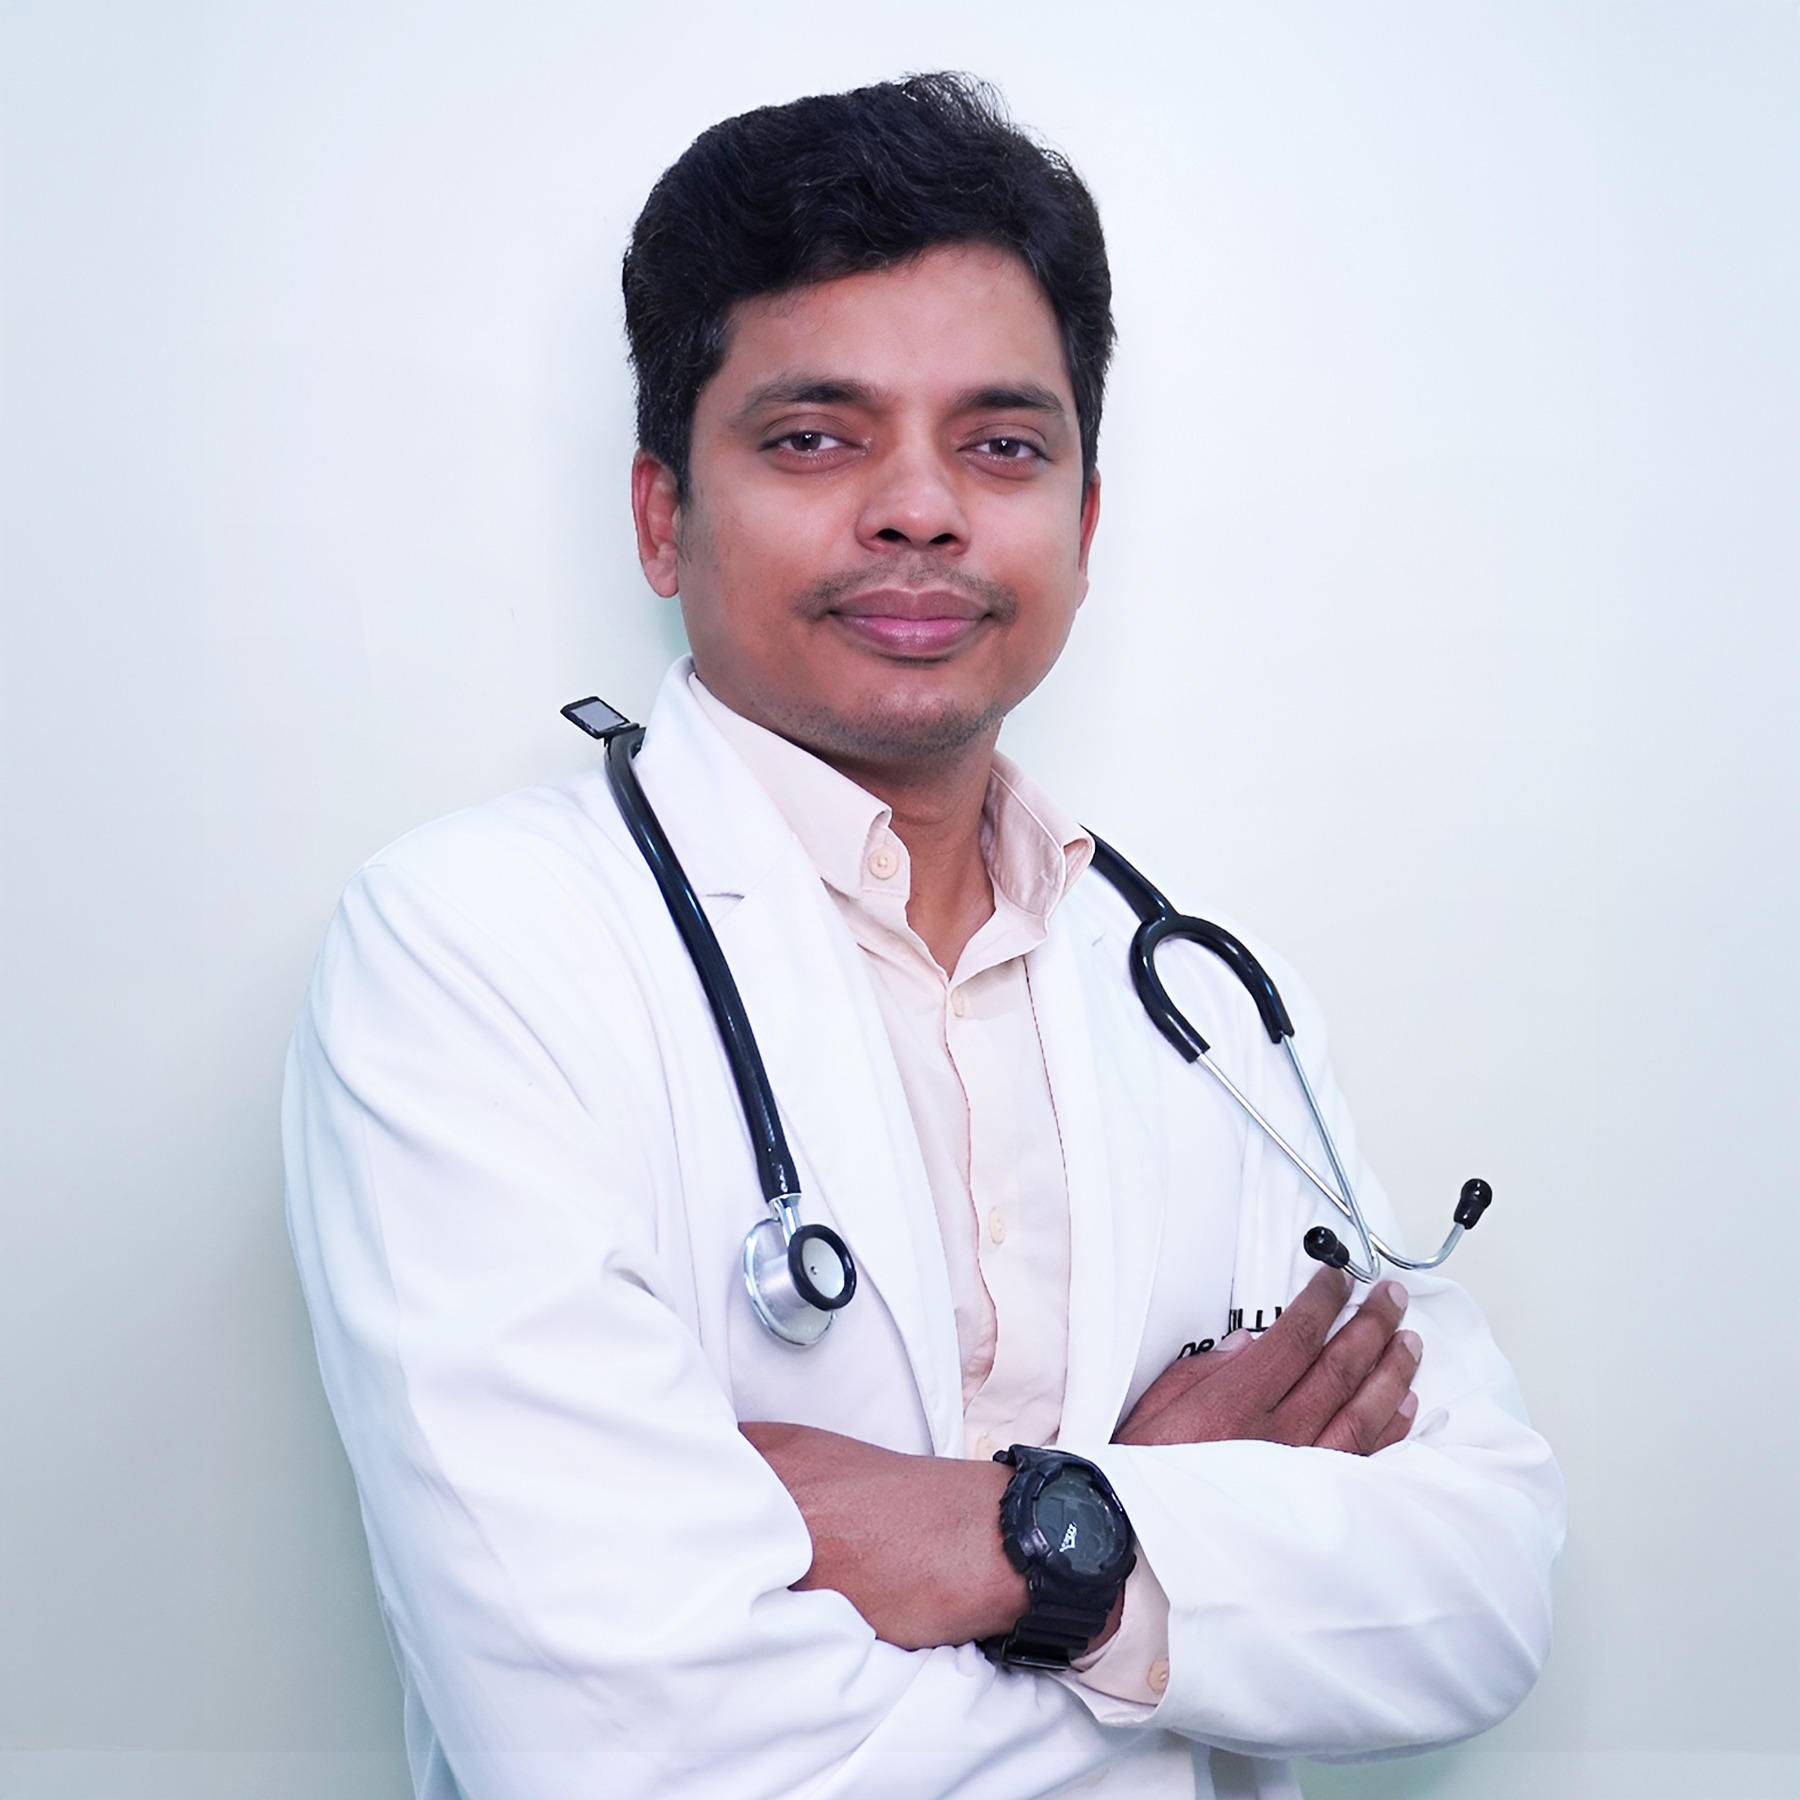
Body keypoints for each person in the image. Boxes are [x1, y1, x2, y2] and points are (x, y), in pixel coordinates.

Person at [284, 73, 1563, 1800]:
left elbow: (1474, 1591)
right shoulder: (474, 955)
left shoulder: (1199, 997)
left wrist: (1018, 1533)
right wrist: (1170, 1571)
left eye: (1003, 444)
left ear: (1086, 529)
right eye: (815, 435)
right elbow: (632, 1747)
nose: (921, 510)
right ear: (664, 514)